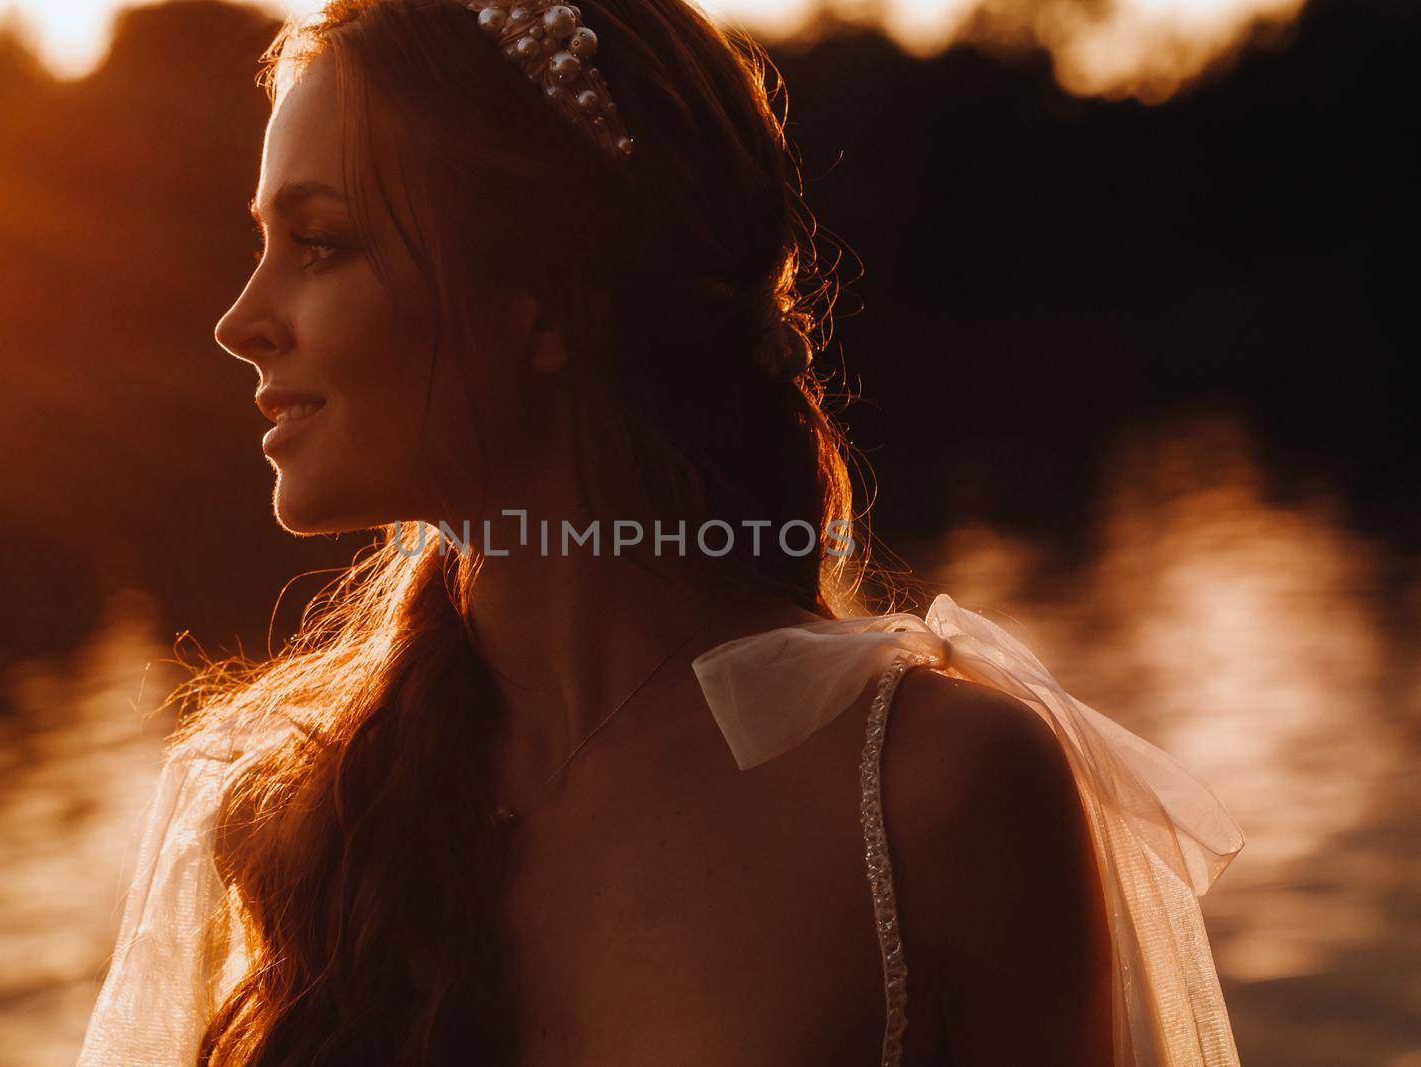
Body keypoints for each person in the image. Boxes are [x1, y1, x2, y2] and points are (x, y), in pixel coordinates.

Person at [76, 0, 1244, 1063]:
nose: (240, 320)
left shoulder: (936, 795)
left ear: (544, 296)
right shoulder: (285, 818)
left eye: (319, 241)